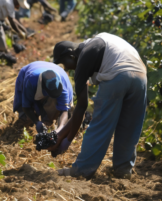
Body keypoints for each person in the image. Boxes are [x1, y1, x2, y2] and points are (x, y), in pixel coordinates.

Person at [50, 32, 147, 179]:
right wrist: (62, 135)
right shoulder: (99, 41)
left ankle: (82, 170)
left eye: (65, 64)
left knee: (100, 125)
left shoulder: (84, 56)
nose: (67, 69)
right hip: (141, 76)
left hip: (118, 75)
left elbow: (81, 107)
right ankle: (123, 170)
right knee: (130, 126)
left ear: (71, 55)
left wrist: (67, 140)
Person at [13, 61, 73, 133]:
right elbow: (26, 106)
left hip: (54, 71)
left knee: (53, 109)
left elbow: (64, 110)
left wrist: (59, 129)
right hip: (30, 72)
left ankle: (46, 122)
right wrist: (37, 122)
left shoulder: (62, 85)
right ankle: (26, 123)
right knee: (26, 118)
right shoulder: (31, 81)